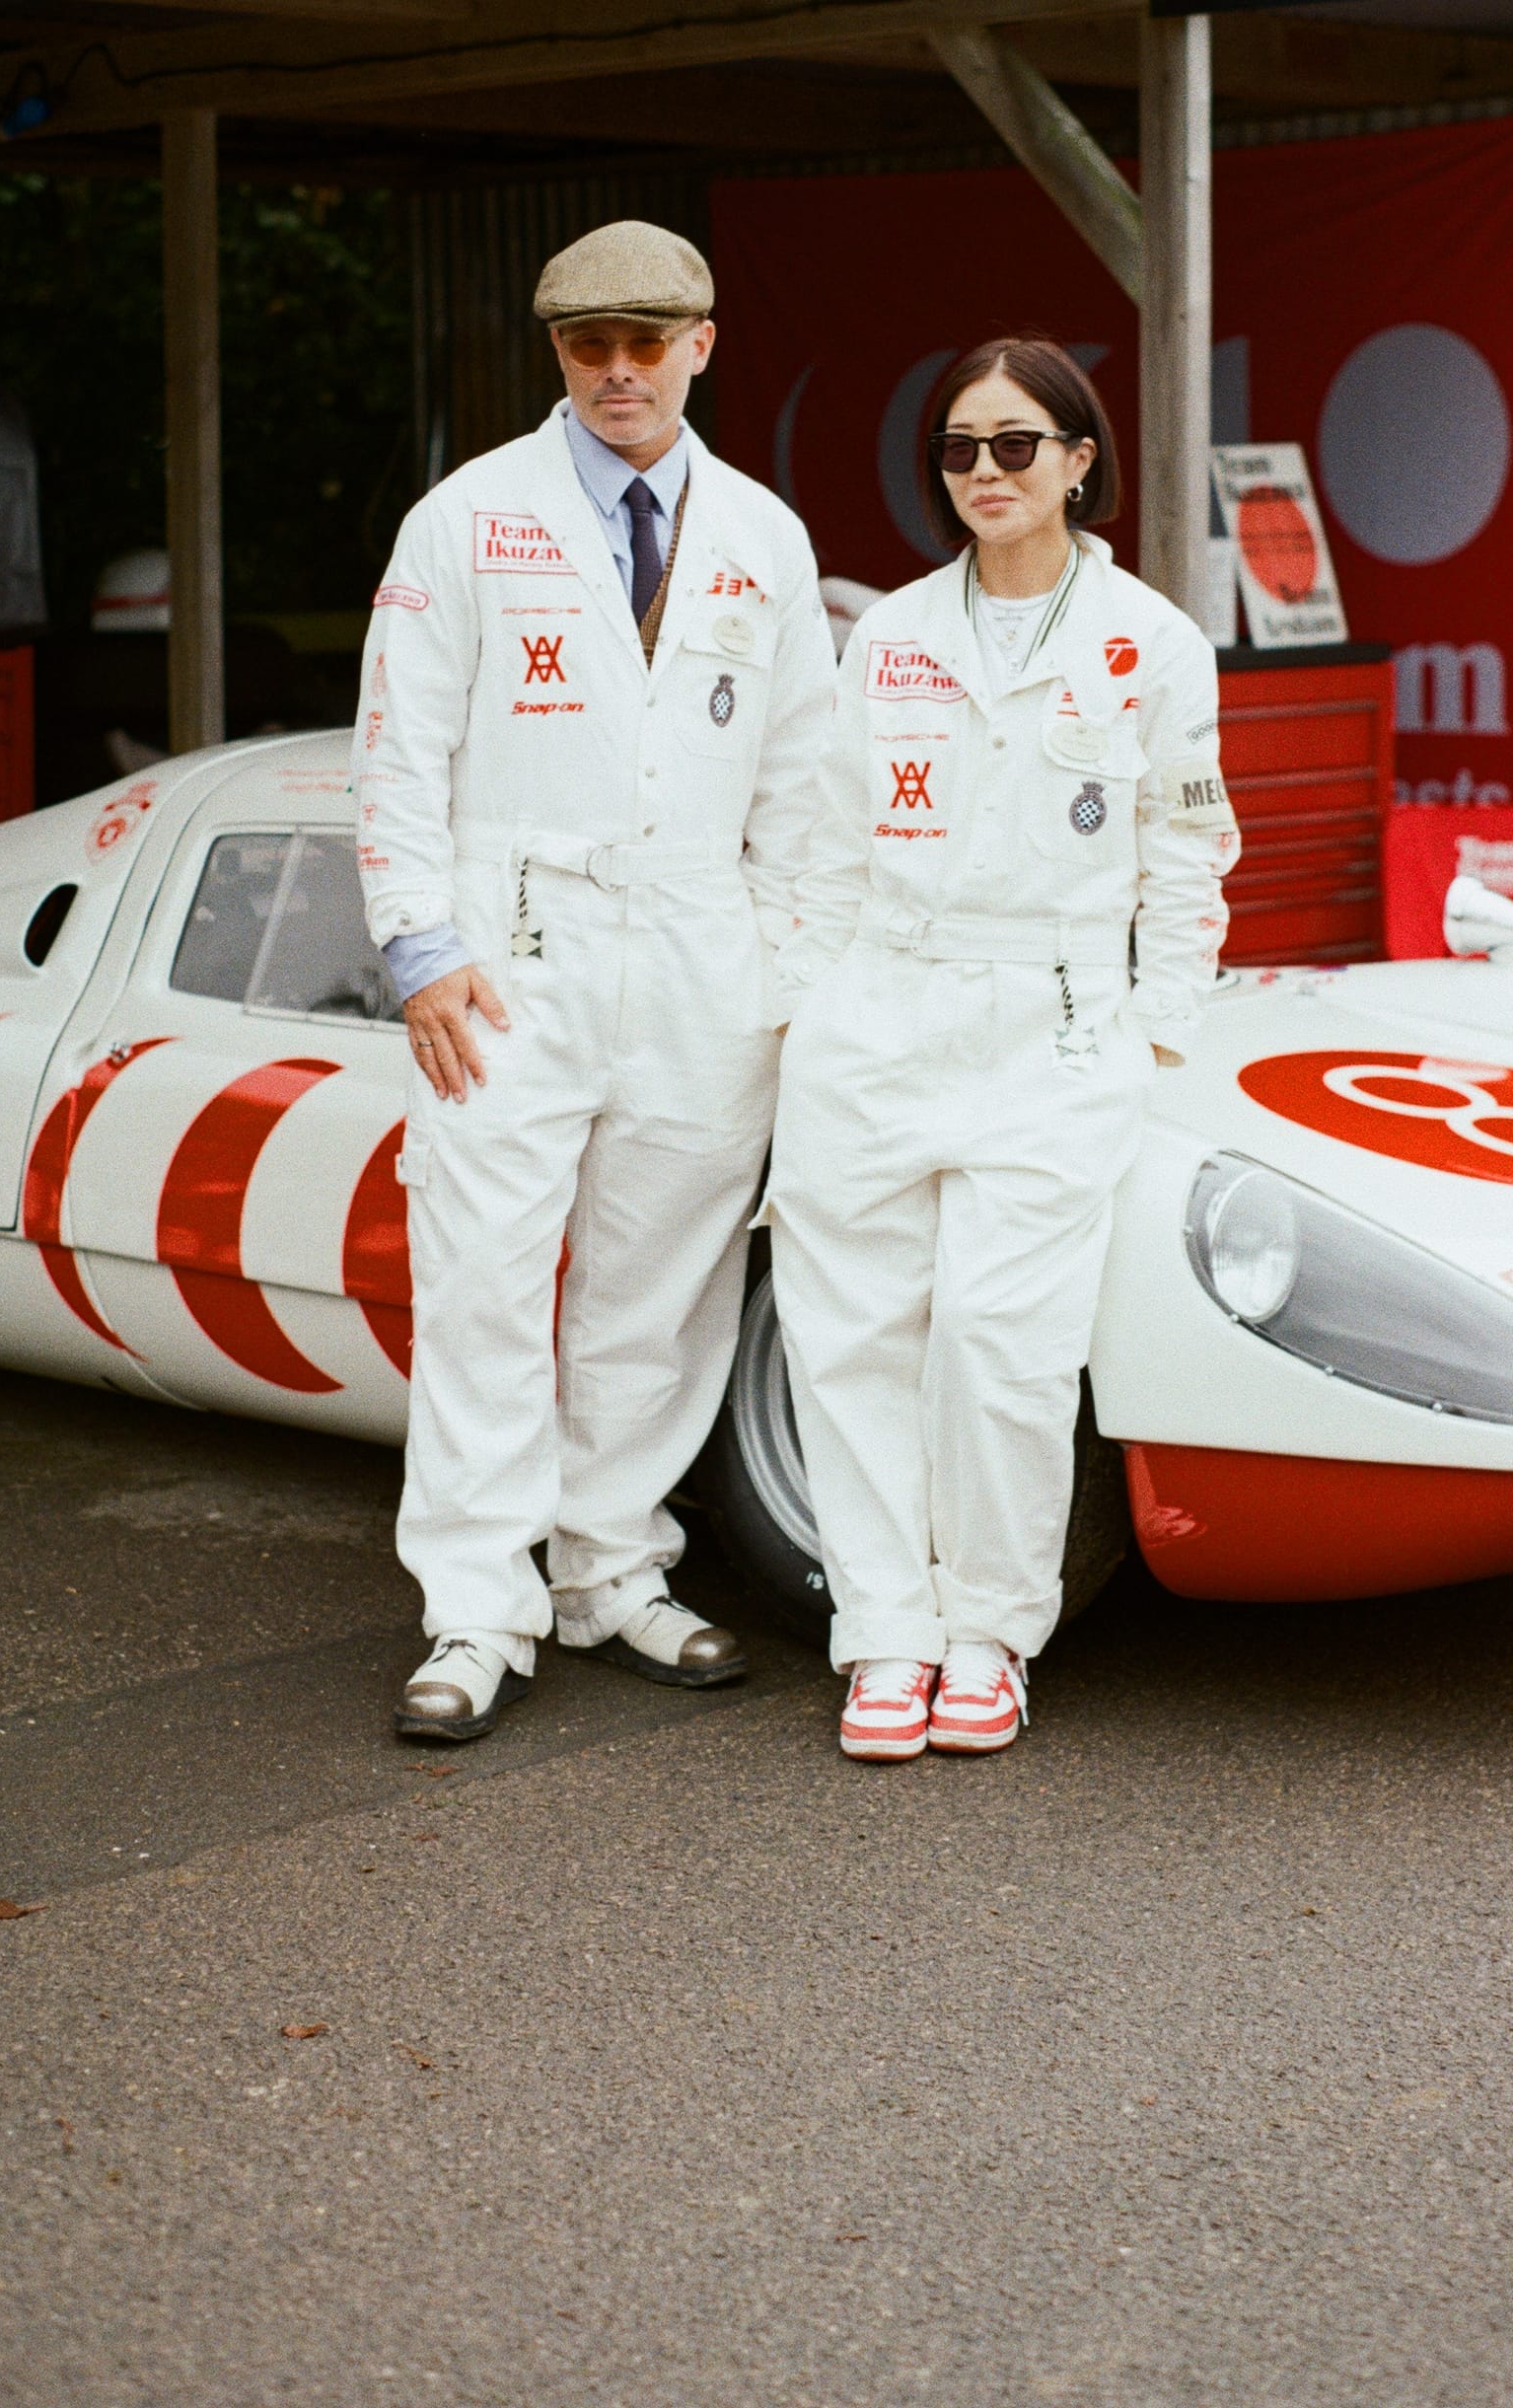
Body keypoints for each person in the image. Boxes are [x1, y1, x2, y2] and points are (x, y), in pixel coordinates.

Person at [355, 219, 835, 1742]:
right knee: (485, 1279)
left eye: (647, 343)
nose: (619, 372)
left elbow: (803, 783)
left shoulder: (764, 533)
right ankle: (475, 1607)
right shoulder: (466, 519)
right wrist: (421, 948)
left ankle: (612, 1568)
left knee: (663, 1285)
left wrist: (783, 973)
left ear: (702, 343)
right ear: (557, 351)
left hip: (702, 950)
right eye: (588, 346)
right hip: (513, 947)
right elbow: (398, 748)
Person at [765, 335, 1241, 1761]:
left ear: (1080, 461)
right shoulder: (892, 634)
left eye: (1017, 444)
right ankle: (883, 1634)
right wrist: (808, 1004)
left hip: (1056, 1022)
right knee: (851, 1339)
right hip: (880, 1012)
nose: (987, 471)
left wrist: (1157, 1032)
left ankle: (989, 1633)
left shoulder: (1153, 643)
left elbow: (1189, 855)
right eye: (961, 448)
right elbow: (829, 841)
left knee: (1000, 1343)